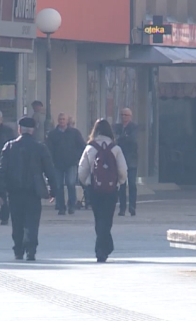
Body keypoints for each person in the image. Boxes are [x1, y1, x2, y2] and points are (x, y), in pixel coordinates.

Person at [0, 117, 56, 261]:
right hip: (33, 191)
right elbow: (50, 170)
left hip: (14, 190)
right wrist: (53, 190)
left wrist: (0, 191)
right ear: (32, 130)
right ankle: (31, 250)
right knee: (32, 221)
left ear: (19, 130)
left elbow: (1, 170)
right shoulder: (40, 147)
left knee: (17, 221)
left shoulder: (9, 147)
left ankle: (18, 249)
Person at [78, 119, 127, 263]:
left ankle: (102, 249)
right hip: (111, 189)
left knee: (98, 217)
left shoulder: (90, 147)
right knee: (107, 219)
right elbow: (123, 170)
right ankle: (104, 248)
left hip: (94, 188)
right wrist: (120, 182)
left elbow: (82, 170)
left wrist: (86, 183)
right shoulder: (115, 148)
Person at [46, 112, 85, 215]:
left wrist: (78, 158)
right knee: (58, 185)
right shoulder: (52, 134)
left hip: (71, 163)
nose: (62, 121)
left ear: (67, 121)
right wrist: (50, 161)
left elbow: (82, 146)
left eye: (64, 119)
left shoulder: (74, 133)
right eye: (60, 119)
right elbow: (49, 148)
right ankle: (61, 207)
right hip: (57, 163)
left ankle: (72, 205)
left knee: (71, 183)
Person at [114, 108, 140, 216]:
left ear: (130, 116)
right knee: (122, 184)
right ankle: (122, 208)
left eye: (126, 115)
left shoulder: (134, 127)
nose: (124, 117)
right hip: (121, 159)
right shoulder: (118, 127)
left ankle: (132, 206)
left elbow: (132, 140)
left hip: (132, 159)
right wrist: (122, 138)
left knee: (132, 184)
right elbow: (115, 139)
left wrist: (121, 138)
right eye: (122, 115)